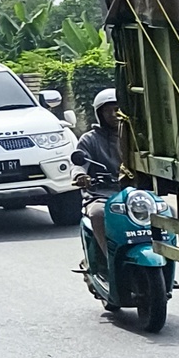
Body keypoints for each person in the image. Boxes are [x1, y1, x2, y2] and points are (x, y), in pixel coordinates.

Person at [76, 87, 124, 247]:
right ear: (99, 114)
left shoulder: (136, 136)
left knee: (165, 210)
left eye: (117, 110)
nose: (113, 114)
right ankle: (109, 260)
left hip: (134, 193)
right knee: (98, 214)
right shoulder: (90, 139)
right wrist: (80, 176)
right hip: (102, 194)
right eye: (107, 111)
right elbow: (79, 164)